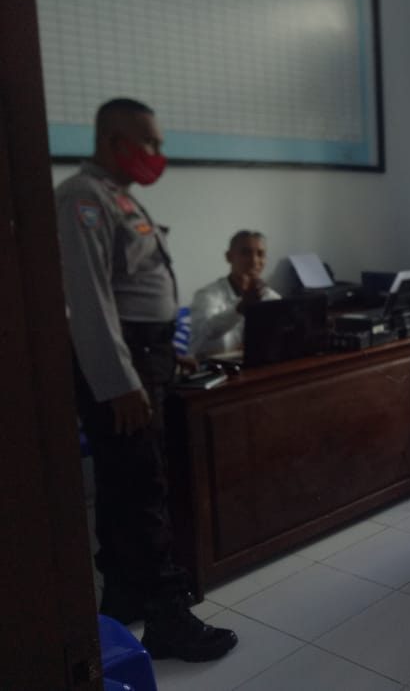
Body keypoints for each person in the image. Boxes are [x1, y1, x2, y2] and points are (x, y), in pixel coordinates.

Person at [55, 98, 238, 662]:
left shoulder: (118, 196)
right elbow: (89, 300)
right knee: (144, 487)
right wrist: (121, 382)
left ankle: (123, 598)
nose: (159, 153)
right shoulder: (83, 198)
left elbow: (136, 288)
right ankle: (168, 618)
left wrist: (165, 353)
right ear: (115, 142)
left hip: (147, 355)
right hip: (123, 365)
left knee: (121, 486)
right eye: (150, 142)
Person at [189, 230, 280, 358]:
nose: (254, 261)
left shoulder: (272, 298)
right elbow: (205, 333)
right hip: (212, 366)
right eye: (246, 253)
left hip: (257, 365)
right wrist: (241, 307)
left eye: (260, 254)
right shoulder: (206, 295)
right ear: (229, 257)